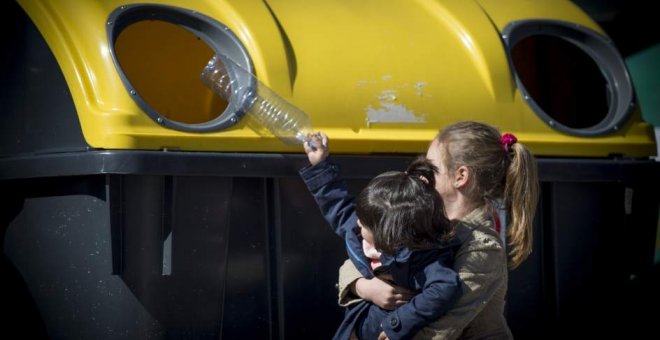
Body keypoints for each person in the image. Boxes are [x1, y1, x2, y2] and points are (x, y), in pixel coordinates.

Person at [337, 121, 539, 339]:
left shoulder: (482, 248)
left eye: (431, 168)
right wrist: (362, 286)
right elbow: (364, 251)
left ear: (461, 176)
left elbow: (443, 327)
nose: (420, 175)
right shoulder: (423, 217)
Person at [300, 132, 463, 340]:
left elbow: (445, 288)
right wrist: (321, 165)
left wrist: (397, 324)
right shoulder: (364, 232)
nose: (357, 224)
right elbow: (338, 207)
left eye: (364, 223)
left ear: (391, 236)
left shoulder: (422, 259)